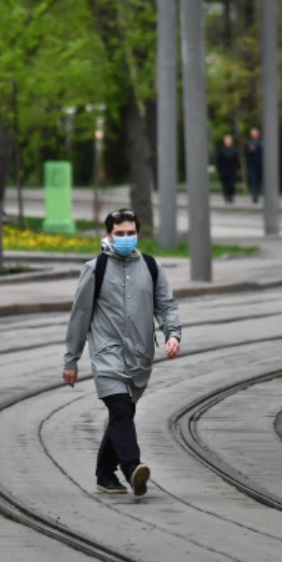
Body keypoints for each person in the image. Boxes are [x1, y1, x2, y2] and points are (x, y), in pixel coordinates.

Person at [62, 209, 182, 497]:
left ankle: (105, 474)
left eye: (130, 233)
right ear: (108, 235)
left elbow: (166, 305)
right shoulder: (96, 269)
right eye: (120, 234)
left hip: (140, 357)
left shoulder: (152, 267)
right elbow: (79, 317)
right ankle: (132, 469)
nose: (126, 238)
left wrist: (173, 334)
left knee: (122, 415)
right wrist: (72, 359)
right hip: (107, 354)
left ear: (137, 234)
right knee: (121, 409)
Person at [216, 134, 240, 203]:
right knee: (225, 184)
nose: (228, 143)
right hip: (224, 170)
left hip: (232, 170)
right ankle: (226, 196)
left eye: (229, 141)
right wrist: (217, 167)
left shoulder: (234, 150)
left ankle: (231, 196)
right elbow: (218, 160)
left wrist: (238, 169)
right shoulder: (221, 151)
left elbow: (237, 160)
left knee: (231, 184)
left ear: (231, 142)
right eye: (226, 141)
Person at [245, 127, 263, 204]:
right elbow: (245, 153)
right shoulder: (248, 143)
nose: (254, 135)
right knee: (253, 180)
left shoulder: (261, 143)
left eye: (256, 134)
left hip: (260, 164)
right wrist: (250, 150)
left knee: (258, 180)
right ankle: (254, 195)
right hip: (252, 164)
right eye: (253, 134)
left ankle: (257, 193)